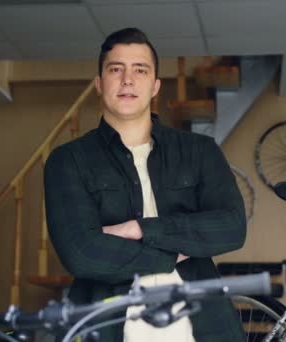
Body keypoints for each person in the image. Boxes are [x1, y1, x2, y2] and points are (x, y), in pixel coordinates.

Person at [44, 27, 247, 341]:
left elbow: (232, 227)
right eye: (116, 69)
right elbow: (80, 252)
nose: (128, 79)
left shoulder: (200, 151)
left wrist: (139, 229)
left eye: (140, 70)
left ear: (155, 86)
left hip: (200, 325)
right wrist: (169, 254)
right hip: (107, 325)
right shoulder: (67, 160)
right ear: (99, 83)